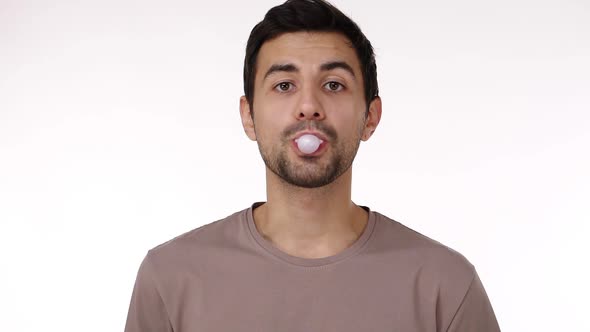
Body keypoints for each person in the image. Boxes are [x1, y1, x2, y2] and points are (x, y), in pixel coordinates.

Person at [124, 0, 501, 331]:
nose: (308, 105)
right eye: (284, 85)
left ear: (370, 116)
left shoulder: (445, 287)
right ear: (248, 116)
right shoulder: (169, 279)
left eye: (334, 84)